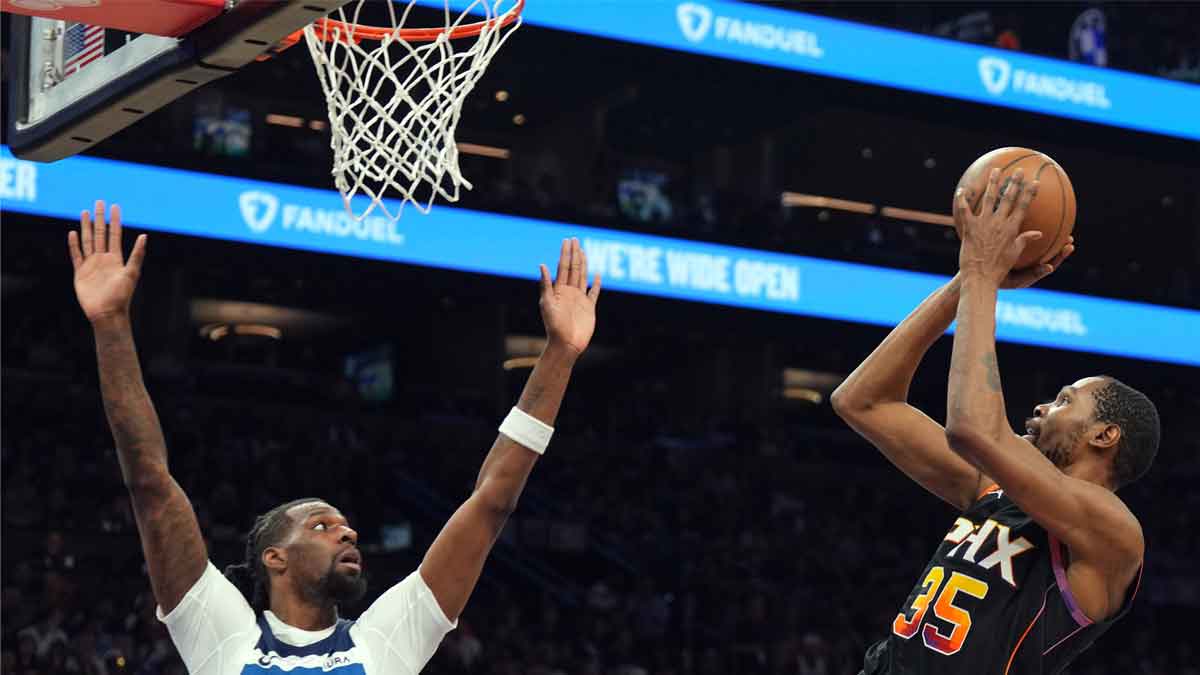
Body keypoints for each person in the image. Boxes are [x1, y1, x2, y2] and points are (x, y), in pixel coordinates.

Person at [69, 200, 601, 675]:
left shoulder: (387, 640)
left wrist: (559, 355)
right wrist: (111, 323)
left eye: (345, 527)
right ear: (274, 558)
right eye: (323, 526)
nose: (348, 535)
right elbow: (150, 483)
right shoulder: (222, 634)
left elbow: (491, 502)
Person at [831, 169, 1158, 674]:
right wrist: (967, 281)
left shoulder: (1112, 532)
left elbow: (973, 431)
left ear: (1104, 435)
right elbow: (862, 401)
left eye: (1064, 401)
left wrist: (984, 275)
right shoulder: (995, 491)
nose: (1042, 409)